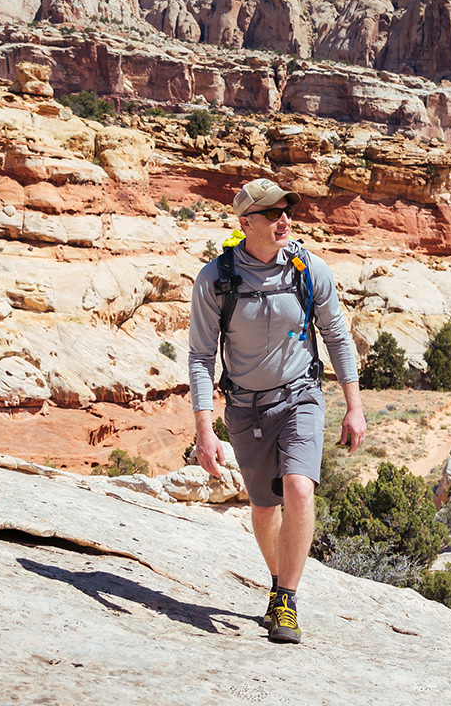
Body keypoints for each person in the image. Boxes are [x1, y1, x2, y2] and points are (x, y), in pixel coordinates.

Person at [188, 178, 365, 645]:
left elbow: (338, 337)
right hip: (245, 407)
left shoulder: (310, 269)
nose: (284, 219)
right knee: (265, 511)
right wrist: (204, 430)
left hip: (300, 395)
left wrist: (354, 405)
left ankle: (286, 597)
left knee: (299, 490)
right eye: (271, 213)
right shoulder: (216, 279)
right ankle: (276, 585)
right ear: (246, 222)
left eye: (287, 210)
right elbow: (201, 356)